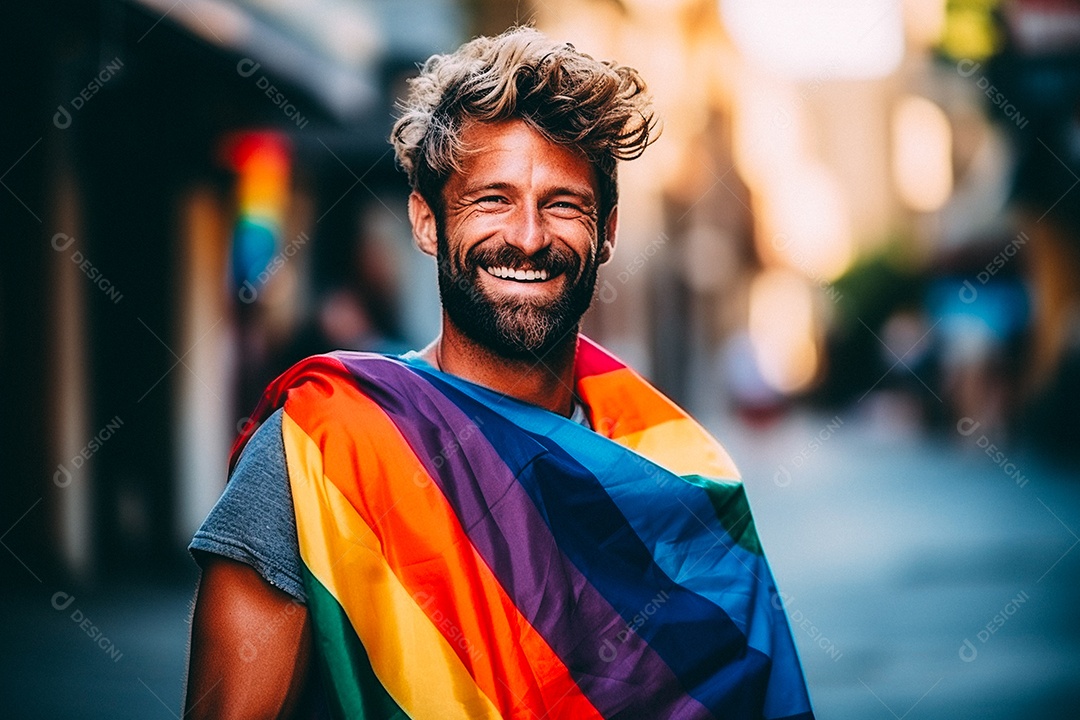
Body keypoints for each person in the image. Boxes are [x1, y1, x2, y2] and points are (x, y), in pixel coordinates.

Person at [184, 26, 815, 720]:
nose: (528, 237)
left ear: (605, 230)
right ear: (427, 222)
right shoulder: (321, 452)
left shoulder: (677, 485)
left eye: (564, 204)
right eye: (492, 199)